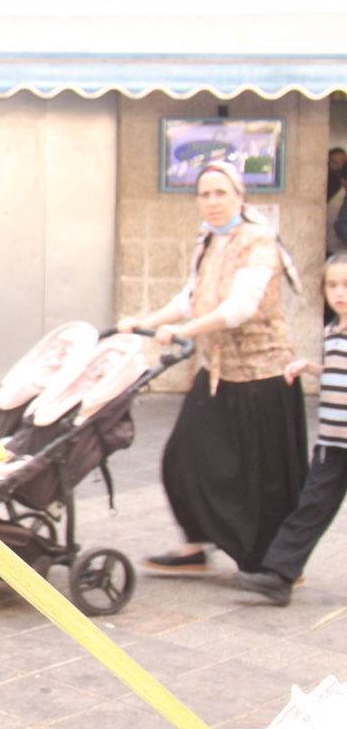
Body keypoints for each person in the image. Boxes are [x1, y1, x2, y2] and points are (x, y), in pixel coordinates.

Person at [118, 160, 307, 576]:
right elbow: (189, 297)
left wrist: (186, 330)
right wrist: (147, 321)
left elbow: (241, 307)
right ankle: (197, 546)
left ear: (240, 197)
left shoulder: (258, 241)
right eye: (205, 194)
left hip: (263, 374)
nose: (213, 201)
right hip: (219, 371)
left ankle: (276, 560)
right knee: (182, 457)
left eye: (221, 193)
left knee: (265, 477)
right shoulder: (208, 242)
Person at [237, 252, 347, 605]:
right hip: (332, 444)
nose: (339, 292)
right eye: (332, 285)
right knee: (310, 506)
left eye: (346, 285)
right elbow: (336, 370)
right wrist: (310, 367)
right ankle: (280, 576)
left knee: (311, 505)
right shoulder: (332, 330)